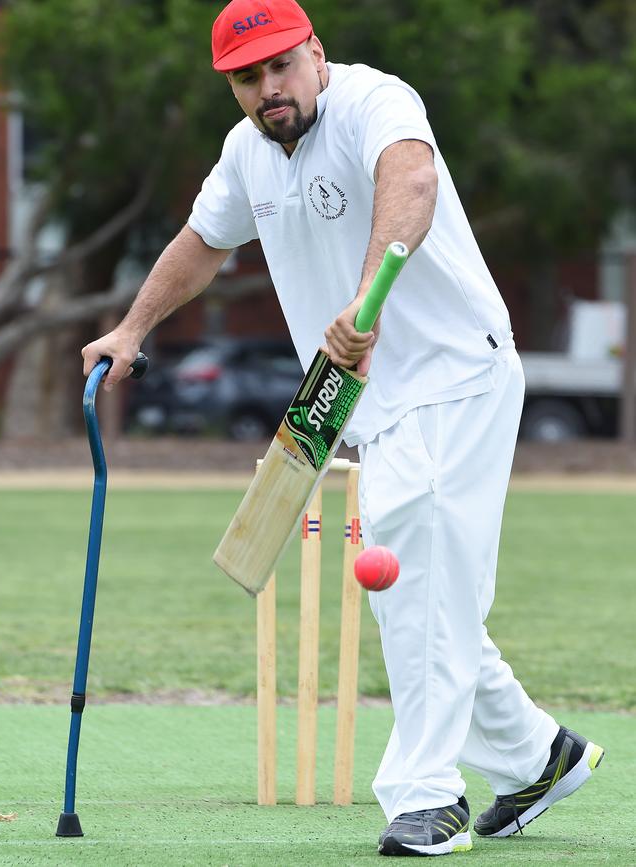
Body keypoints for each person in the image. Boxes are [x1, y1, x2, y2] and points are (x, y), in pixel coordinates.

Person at [82, 0, 604, 856]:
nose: (267, 88)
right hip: (365, 397)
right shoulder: (247, 152)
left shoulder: (375, 101)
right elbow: (202, 242)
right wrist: (132, 328)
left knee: (413, 573)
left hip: (455, 374)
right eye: (247, 78)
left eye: (281, 65)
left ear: (316, 54)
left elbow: (413, 183)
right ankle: (535, 752)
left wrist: (368, 300)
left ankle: (426, 796)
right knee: (423, 585)